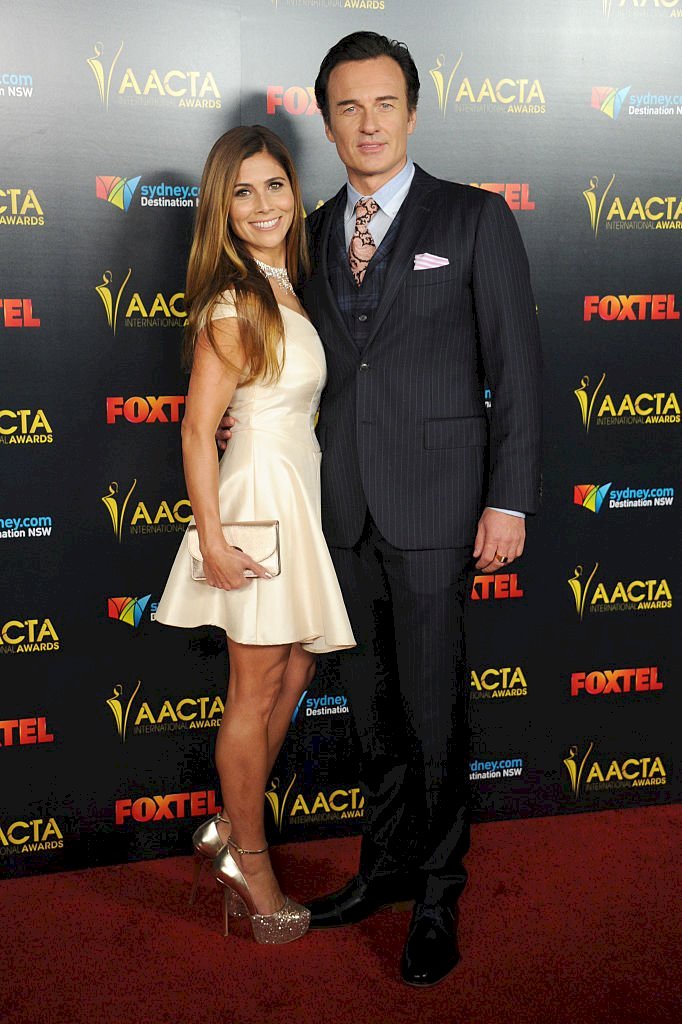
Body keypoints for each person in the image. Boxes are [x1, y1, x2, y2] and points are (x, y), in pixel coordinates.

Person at [220, 31, 541, 985]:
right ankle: (385, 868)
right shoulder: (312, 228)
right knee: (372, 712)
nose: (368, 122)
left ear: (412, 109)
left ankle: (439, 893)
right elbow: (300, 361)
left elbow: (517, 374)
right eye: (348, 107)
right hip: (340, 513)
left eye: (385, 103)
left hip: (444, 509)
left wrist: (509, 502)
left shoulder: (476, 218)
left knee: (436, 711)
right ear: (326, 118)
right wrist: (244, 417)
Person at [155, 125, 355, 945]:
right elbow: (198, 431)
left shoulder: (290, 288)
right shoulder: (237, 302)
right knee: (256, 688)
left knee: (296, 671)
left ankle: (228, 828)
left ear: (294, 195)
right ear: (222, 210)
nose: (263, 204)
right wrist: (211, 538)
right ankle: (252, 860)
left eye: (274, 186)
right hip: (257, 503)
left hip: (295, 495)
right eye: (243, 192)